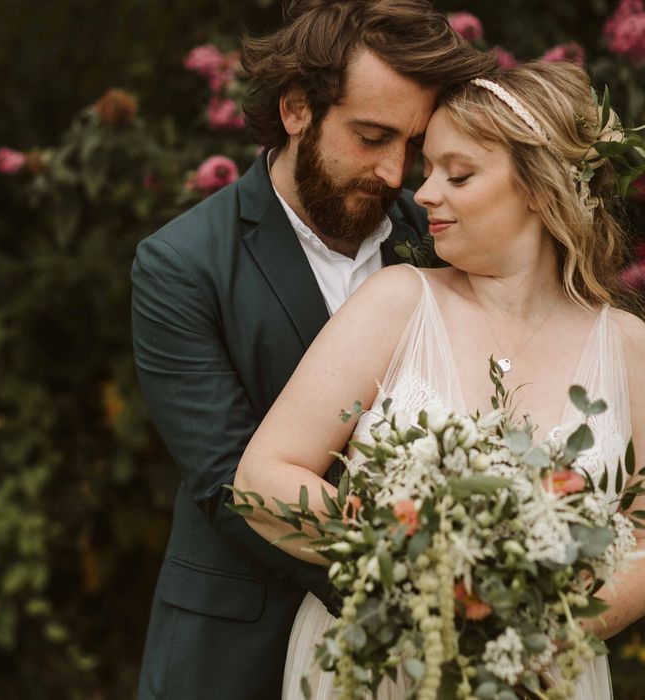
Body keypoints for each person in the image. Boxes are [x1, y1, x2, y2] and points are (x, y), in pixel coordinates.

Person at [234, 60, 645, 700]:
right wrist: (416, 563)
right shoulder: (396, 302)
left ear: (541, 189)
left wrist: (540, 625)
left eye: (458, 174)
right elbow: (263, 479)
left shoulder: (628, 349)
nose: (421, 193)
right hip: (375, 667)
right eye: (428, 172)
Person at [131, 1, 495, 697]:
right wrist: (419, 594)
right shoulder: (180, 265)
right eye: (371, 137)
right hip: (236, 644)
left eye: (413, 145)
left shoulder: (439, 234)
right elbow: (224, 483)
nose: (396, 174)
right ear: (297, 109)